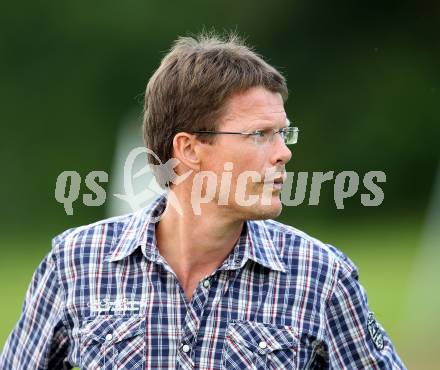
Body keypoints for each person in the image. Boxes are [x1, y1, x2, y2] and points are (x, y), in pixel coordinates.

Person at [0, 32, 406, 369]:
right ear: (189, 149)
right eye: (259, 134)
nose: (283, 152)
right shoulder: (74, 263)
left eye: (284, 133)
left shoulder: (322, 277)